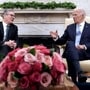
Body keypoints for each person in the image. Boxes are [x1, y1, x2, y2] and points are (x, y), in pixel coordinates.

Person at [50, 8, 90, 83]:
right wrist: (56, 38)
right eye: (72, 15)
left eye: (75, 15)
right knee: (70, 44)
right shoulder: (70, 27)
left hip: (85, 52)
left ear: (82, 16)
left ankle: (74, 79)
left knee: (70, 48)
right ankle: (79, 73)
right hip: (72, 52)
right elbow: (62, 41)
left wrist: (84, 46)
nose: (73, 17)